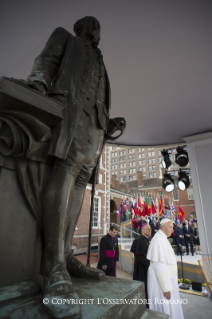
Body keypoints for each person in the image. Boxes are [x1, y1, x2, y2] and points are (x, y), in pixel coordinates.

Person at [26, 16, 126, 318]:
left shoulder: (101, 61)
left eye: (99, 28)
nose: (97, 31)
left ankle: (66, 255)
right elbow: (46, 61)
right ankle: (53, 265)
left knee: (81, 180)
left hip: (94, 127)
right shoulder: (65, 38)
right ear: (80, 28)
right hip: (69, 113)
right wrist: (37, 83)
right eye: (93, 26)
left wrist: (108, 124)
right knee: (65, 170)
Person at [147, 218, 184, 319]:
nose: (173, 230)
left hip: (167, 279)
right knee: (165, 308)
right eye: (171, 227)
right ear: (163, 227)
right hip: (162, 284)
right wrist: (166, 288)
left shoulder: (162, 238)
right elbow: (160, 266)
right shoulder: (159, 240)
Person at [130, 224, 151, 303]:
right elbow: (138, 257)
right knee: (141, 285)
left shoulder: (148, 240)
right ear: (142, 230)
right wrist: (149, 263)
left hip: (147, 266)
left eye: (150, 229)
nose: (149, 230)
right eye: (147, 229)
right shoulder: (138, 240)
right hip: (141, 268)